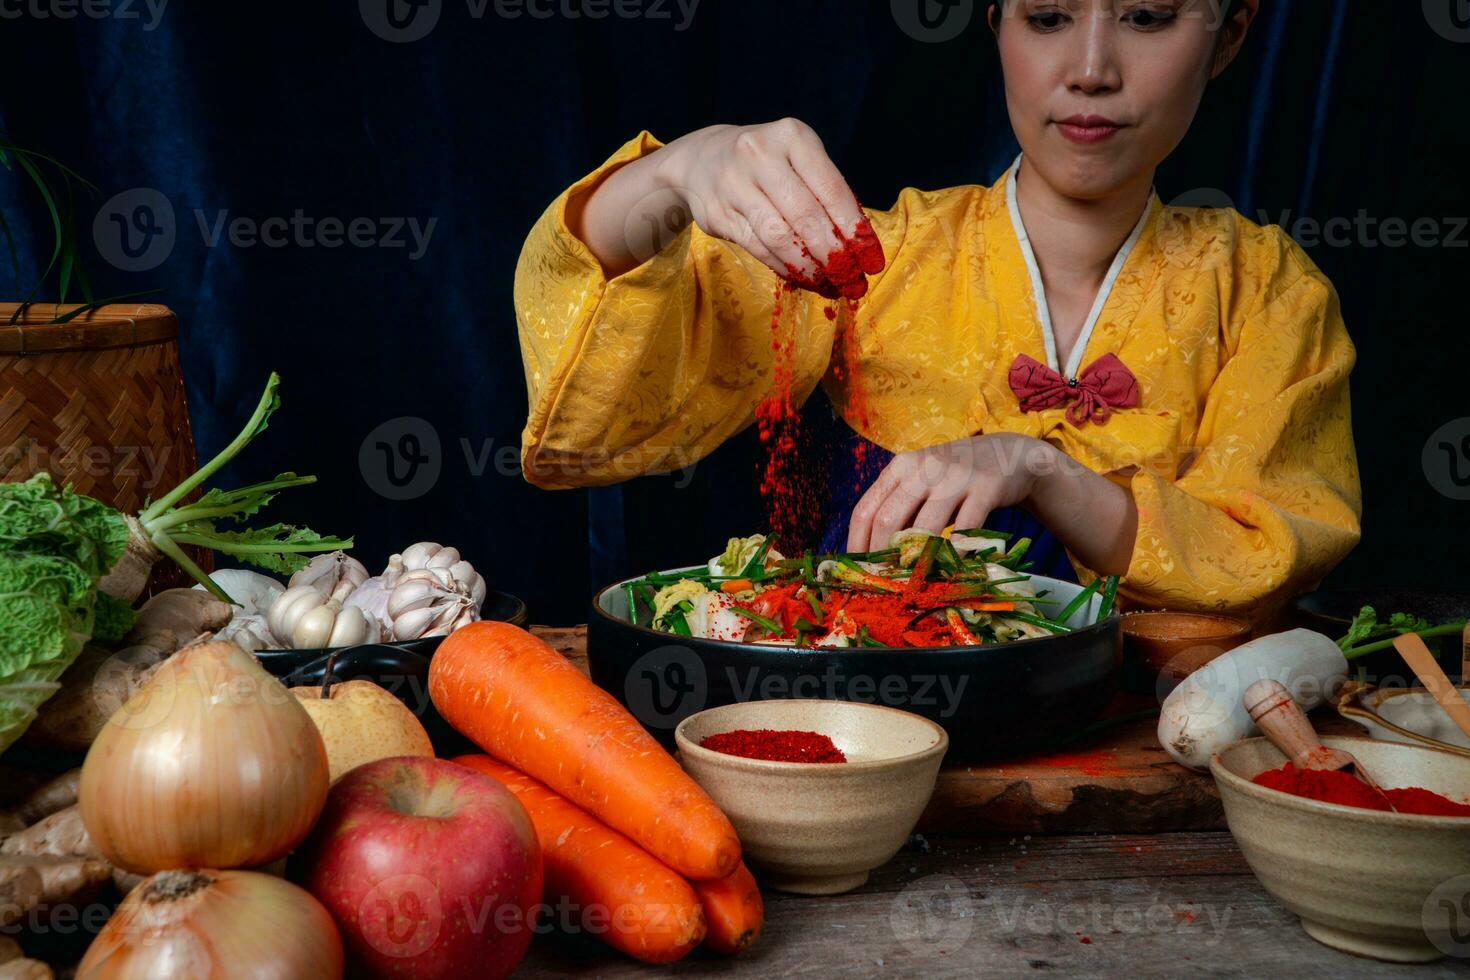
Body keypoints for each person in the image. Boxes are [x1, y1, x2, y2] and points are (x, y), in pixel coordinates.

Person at [512, 0, 1360, 623]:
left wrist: (1039, 468)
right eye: (1049, 16)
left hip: (1153, 768)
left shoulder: (1267, 290)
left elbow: (1273, 555)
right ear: (997, 25)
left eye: (1147, 16)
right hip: (865, 733)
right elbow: (598, 430)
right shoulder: (872, 260)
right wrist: (672, 175)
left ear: (1230, 33)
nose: (1092, 67)